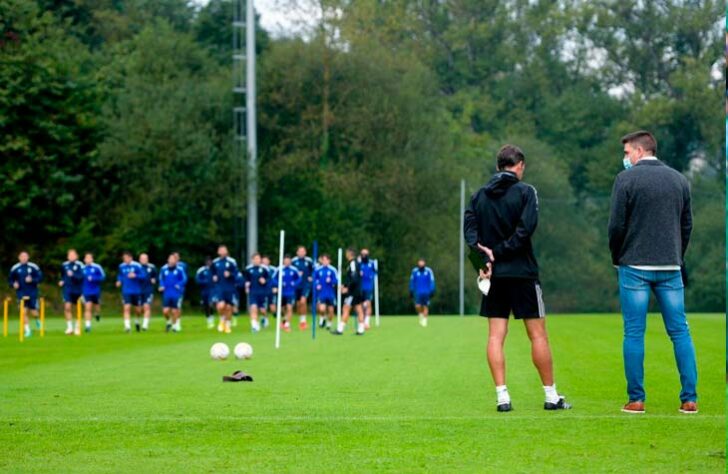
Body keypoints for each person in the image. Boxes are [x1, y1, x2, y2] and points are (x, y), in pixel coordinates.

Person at [464, 144, 570, 413]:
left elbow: (470, 234)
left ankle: (502, 396)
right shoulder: (526, 192)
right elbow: (525, 231)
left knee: (495, 337)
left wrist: (484, 259)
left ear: (499, 165)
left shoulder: (478, 196)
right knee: (538, 336)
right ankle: (551, 395)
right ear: (519, 165)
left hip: (493, 276)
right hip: (522, 273)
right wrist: (498, 253)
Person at [608, 131, 697, 414]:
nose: (625, 158)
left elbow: (616, 226)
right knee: (680, 332)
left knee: (634, 333)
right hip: (670, 266)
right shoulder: (679, 180)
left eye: (626, 153)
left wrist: (617, 256)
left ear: (638, 151)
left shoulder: (626, 180)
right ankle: (689, 399)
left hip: (634, 266)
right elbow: (687, 225)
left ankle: (636, 400)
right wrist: (677, 256)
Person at [8, 251, 42, 338]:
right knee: (23, 312)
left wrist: (32, 280)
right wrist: (13, 284)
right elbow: (10, 280)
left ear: (28, 257)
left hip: (32, 292)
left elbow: (40, 277)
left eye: (25, 256)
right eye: (22, 256)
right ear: (19, 258)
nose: (23, 258)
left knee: (33, 311)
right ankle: (28, 330)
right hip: (21, 292)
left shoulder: (33, 267)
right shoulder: (15, 268)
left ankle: (37, 319)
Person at [334, 248, 365, 336]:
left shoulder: (353, 263)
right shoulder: (356, 263)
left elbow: (354, 278)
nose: (345, 255)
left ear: (350, 254)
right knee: (359, 309)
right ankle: (361, 329)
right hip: (357, 290)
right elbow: (353, 278)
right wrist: (344, 285)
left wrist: (348, 288)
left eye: (346, 253)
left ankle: (340, 329)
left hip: (353, 291)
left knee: (346, 308)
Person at [116, 251, 147, 333]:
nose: (125, 260)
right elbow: (120, 275)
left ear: (130, 258)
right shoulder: (121, 266)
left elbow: (144, 276)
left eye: (126, 258)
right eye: (124, 258)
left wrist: (135, 276)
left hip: (136, 291)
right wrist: (119, 281)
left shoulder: (137, 266)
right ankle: (127, 326)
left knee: (138, 310)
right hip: (126, 291)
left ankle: (137, 321)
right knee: (127, 307)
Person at [210, 245, 238, 334]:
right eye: (220, 250)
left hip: (230, 287)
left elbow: (236, 274)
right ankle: (222, 319)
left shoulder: (232, 261)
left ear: (227, 251)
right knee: (221, 305)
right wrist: (213, 277)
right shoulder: (215, 262)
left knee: (229, 307)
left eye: (224, 250)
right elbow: (211, 273)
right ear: (218, 252)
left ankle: (228, 324)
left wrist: (230, 274)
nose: (222, 251)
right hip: (219, 287)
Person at [159, 253, 187, 333]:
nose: (171, 260)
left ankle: (174, 326)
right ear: (168, 260)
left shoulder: (180, 269)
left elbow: (184, 279)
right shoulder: (164, 269)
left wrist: (179, 285)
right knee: (165, 311)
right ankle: (168, 322)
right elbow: (161, 278)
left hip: (176, 293)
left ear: (176, 260)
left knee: (175, 311)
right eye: (170, 259)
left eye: (173, 259)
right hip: (167, 292)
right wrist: (161, 286)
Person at [58, 249, 85, 335]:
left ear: (76, 256)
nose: (71, 257)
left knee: (78, 309)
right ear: (67, 256)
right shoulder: (64, 265)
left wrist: (73, 275)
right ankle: (69, 328)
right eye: (70, 255)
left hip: (78, 290)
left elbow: (81, 277)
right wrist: (62, 281)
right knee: (67, 307)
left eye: (73, 255)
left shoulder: (80, 265)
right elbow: (62, 275)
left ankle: (77, 327)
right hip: (67, 289)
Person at [243, 253, 270, 333]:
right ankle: (254, 325)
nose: (257, 260)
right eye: (255, 259)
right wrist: (246, 285)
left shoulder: (264, 269)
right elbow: (245, 279)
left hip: (262, 292)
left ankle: (265, 317)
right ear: (252, 260)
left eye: (258, 258)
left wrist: (265, 281)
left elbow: (269, 279)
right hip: (253, 292)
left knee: (262, 310)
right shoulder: (248, 269)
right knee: (253, 308)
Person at [275, 255, 300, 333]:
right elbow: (273, 279)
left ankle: (287, 325)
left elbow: (299, 279)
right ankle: (284, 320)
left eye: (288, 261)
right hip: (281, 293)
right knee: (281, 309)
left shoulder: (294, 270)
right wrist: (279, 284)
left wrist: (294, 284)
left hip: (290, 292)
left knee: (289, 307)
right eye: (285, 261)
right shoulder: (279, 269)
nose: (287, 262)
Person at [291, 246, 314, 331]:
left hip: (305, 285)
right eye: (300, 251)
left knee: (303, 301)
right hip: (296, 286)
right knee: (298, 304)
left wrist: (311, 277)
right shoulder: (293, 261)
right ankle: (299, 319)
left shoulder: (309, 261)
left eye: (303, 251)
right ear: (297, 252)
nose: (301, 253)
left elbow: (314, 271)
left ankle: (303, 321)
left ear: (305, 252)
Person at [313, 254, 338, 330]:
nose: (324, 261)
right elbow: (314, 279)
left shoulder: (333, 270)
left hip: (330, 293)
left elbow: (337, 280)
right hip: (321, 293)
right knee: (322, 309)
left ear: (329, 261)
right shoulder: (318, 270)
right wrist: (317, 285)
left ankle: (329, 323)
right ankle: (322, 317)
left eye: (326, 260)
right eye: (323, 260)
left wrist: (331, 281)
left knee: (331, 310)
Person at [82, 252, 105, 330]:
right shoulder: (82, 268)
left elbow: (103, 277)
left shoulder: (97, 267)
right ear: (84, 260)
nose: (88, 259)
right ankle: (88, 326)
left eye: (89, 258)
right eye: (86, 258)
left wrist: (94, 278)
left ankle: (97, 314)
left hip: (96, 291)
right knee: (87, 307)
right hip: (86, 291)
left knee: (97, 306)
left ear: (92, 259)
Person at [409, 259, 435, 327]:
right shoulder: (414, 271)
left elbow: (432, 281)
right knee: (417, 306)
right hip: (418, 292)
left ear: (424, 263)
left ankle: (425, 320)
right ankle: (420, 314)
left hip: (426, 292)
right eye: (420, 263)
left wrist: (432, 290)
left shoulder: (428, 271)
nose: (421, 264)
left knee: (425, 306)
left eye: (422, 263)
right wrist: (411, 290)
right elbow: (412, 281)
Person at [359, 249, 377, 329]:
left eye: (365, 254)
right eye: (362, 254)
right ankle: (362, 321)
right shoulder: (358, 263)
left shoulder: (372, 263)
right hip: (360, 287)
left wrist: (370, 275)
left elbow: (375, 272)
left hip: (368, 286)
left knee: (368, 303)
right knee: (361, 305)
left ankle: (367, 322)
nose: (364, 255)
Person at [138, 253, 157, 331]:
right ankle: (137, 321)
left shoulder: (152, 267)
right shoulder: (137, 267)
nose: (144, 260)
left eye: (145, 258)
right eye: (142, 258)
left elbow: (155, 276)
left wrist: (154, 280)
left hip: (148, 290)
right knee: (139, 309)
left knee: (147, 306)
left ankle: (145, 325)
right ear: (139, 259)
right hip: (138, 290)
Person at [195, 258, 214, 329]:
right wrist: (205, 282)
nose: (209, 263)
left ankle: (212, 318)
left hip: (213, 290)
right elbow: (197, 279)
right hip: (204, 291)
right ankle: (208, 320)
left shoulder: (214, 270)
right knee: (206, 306)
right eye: (208, 262)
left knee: (211, 304)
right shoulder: (201, 270)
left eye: (210, 261)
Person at [260, 255, 274, 328]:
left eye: (266, 260)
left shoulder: (273, 269)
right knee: (262, 307)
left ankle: (281, 320)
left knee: (273, 307)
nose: (265, 262)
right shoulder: (260, 269)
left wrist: (275, 287)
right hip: (262, 291)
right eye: (263, 260)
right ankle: (265, 319)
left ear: (269, 261)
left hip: (271, 290)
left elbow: (274, 279)